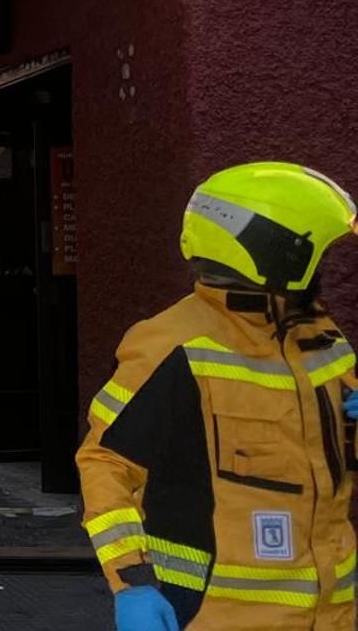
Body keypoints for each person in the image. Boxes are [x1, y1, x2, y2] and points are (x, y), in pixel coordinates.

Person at [78, 162, 358, 631]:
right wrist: (132, 582)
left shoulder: (320, 338)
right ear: (276, 255)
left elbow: (336, 459)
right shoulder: (172, 346)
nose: (323, 271)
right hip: (216, 616)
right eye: (317, 255)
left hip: (332, 616)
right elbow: (106, 465)